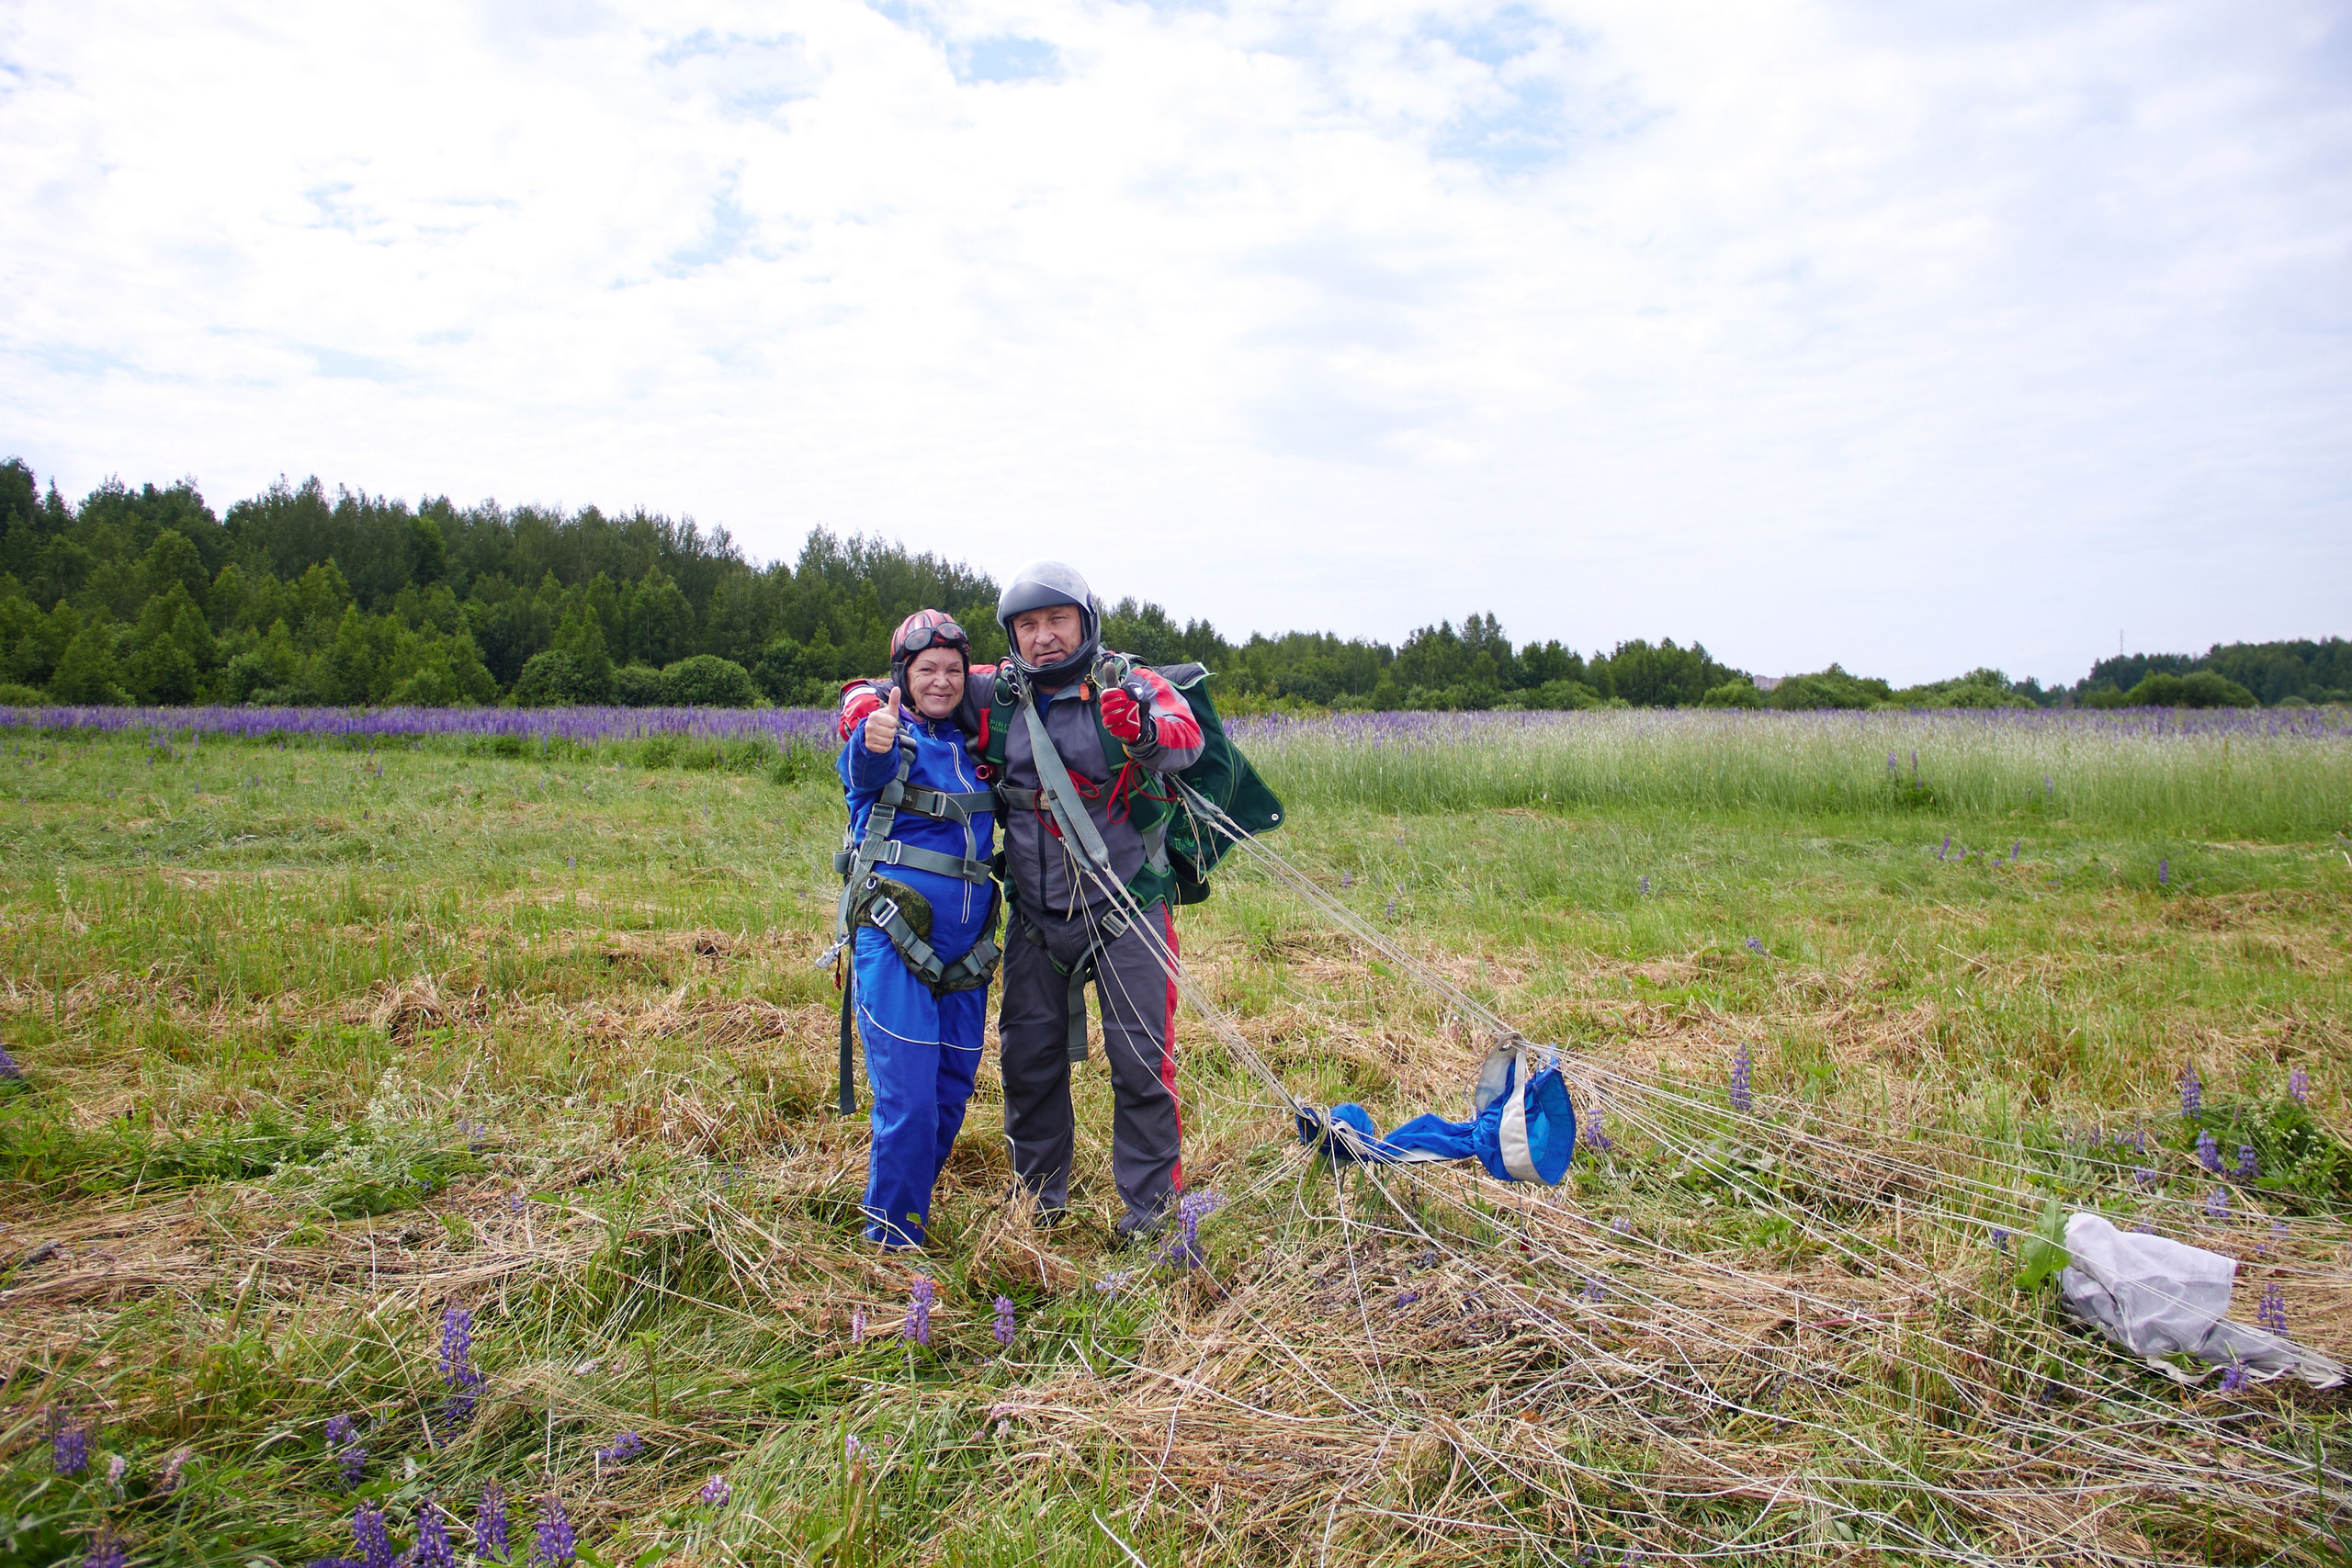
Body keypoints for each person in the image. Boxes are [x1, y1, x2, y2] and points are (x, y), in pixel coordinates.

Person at [849, 563, 1205, 1236]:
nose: (1043, 638)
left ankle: (1154, 1217)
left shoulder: (1127, 682)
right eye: (1028, 625)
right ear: (1013, 635)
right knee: (1029, 1063)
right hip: (1037, 918)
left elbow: (1186, 736)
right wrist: (862, 708)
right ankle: (1039, 1208)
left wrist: (1144, 732)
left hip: (1128, 906)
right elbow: (909, 679)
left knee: (1141, 1064)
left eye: (1057, 621)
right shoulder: (994, 694)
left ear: (1085, 623)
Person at [833, 609, 997, 1250]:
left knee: (950, 1097)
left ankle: (905, 1212)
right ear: (903, 674)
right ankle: (891, 1246)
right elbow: (862, 771)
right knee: (908, 1103)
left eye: (952, 670)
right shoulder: (886, 736)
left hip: (967, 958)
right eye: (927, 669)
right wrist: (872, 737)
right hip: (894, 939)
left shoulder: (976, 749)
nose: (941, 681)